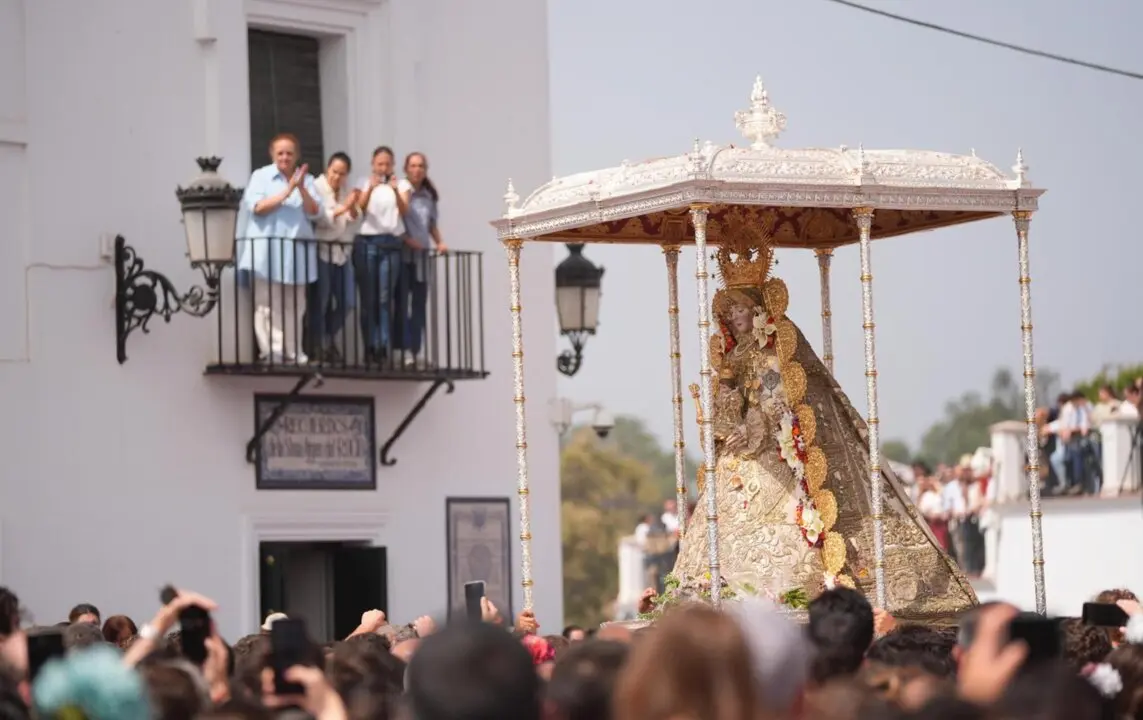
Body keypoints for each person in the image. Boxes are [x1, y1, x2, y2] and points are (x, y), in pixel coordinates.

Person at [667, 225, 974, 621]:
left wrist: (753, 423)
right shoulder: (735, 356)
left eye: (742, 308)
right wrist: (725, 398)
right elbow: (727, 412)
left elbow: (777, 398)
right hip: (741, 451)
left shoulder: (770, 350)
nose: (736, 317)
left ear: (759, 310)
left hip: (769, 446)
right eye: (730, 311)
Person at [237, 133, 322, 364]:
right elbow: (257, 207)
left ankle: (294, 351)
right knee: (267, 303)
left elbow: (315, 211)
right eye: (280, 153)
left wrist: (301, 188)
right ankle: (271, 351)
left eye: (289, 153)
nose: (285, 157)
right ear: (272, 154)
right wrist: (287, 191)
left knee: (296, 304)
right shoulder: (261, 176)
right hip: (268, 251)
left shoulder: (309, 180)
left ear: (297, 156)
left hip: (297, 252)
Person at [354, 146, 407, 365]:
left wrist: (394, 190)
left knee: (385, 298)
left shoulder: (402, 185)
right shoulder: (363, 182)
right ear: (373, 164)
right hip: (368, 242)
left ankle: (383, 346)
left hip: (391, 243)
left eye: (387, 164)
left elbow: (404, 210)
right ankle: (369, 346)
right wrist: (370, 188)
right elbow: (359, 209)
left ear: (393, 165)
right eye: (379, 164)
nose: (383, 168)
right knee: (369, 299)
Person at [309, 152, 360, 364]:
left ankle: (328, 337)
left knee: (347, 302)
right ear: (327, 169)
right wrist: (346, 208)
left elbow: (354, 219)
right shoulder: (316, 188)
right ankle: (318, 344)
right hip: (321, 250)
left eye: (342, 173)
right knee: (320, 300)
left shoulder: (346, 192)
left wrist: (353, 209)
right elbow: (322, 220)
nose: (336, 177)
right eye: (334, 172)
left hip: (342, 253)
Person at [396, 152, 446, 368]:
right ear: (406, 169)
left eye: (421, 166)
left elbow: (431, 225)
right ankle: (404, 350)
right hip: (403, 256)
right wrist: (407, 239)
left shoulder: (428, 196)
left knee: (418, 306)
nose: (417, 170)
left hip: (422, 258)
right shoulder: (400, 191)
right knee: (401, 304)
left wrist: (440, 242)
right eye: (413, 166)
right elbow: (395, 220)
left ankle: (416, 350)